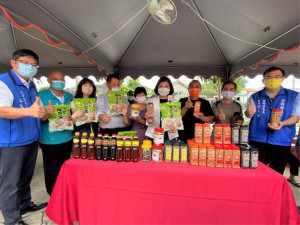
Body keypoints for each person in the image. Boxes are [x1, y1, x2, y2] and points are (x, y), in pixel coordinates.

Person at [0, 49, 47, 225]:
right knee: (10, 184)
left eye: (34, 65)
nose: (30, 67)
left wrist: (43, 112)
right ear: (14, 63)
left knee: (25, 178)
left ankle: (25, 204)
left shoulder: (31, 85)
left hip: (31, 140)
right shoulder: (3, 82)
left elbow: (38, 112)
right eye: (26, 63)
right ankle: (12, 220)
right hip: (12, 143)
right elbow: (1, 109)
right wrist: (28, 111)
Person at [245, 66, 300, 174]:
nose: (273, 80)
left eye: (277, 77)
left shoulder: (294, 96)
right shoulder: (255, 97)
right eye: (269, 77)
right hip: (257, 139)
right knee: (255, 170)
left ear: (283, 78)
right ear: (264, 80)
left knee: (277, 172)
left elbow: (296, 117)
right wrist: (248, 113)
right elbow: (248, 114)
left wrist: (283, 123)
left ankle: (273, 191)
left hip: (281, 140)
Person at [39, 70, 73, 195]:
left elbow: (74, 115)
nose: (60, 82)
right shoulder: (41, 96)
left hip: (68, 138)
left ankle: (63, 190)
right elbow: (40, 119)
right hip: (50, 140)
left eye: (62, 80)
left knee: (65, 167)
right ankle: (53, 193)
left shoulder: (70, 96)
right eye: (56, 79)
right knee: (52, 169)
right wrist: (46, 112)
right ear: (49, 81)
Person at [145, 76, 178, 141]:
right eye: (161, 86)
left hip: (169, 133)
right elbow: (149, 118)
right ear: (157, 88)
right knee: (155, 150)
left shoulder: (174, 102)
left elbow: (176, 118)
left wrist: (175, 125)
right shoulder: (151, 101)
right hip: (154, 132)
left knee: (168, 150)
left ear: (170, 88)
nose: (163, 88)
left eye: (166, 86)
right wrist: (148, 120)